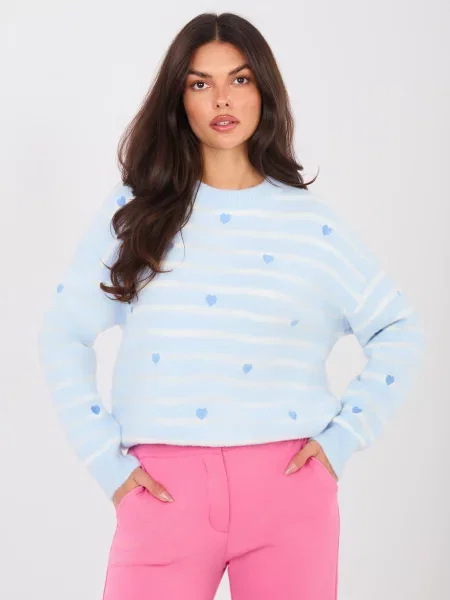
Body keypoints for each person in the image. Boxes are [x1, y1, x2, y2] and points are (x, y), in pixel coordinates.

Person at [37, 12, 425, 600]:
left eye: (240, 79)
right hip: (163, 493)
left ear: (264, 91)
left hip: (288, 491)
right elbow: (64, 332)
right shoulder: (137, 213)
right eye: (201, 83)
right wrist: (105, 462)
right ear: (180, 100)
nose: (222, 98)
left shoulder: (310, 224)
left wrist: (342, 440)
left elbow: (399, 329)